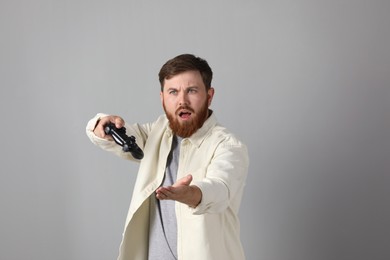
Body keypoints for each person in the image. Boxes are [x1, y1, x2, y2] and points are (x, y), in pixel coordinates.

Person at [86, 54, 249, 260]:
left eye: (192, 90)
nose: (182, 101)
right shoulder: (156, 133)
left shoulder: (228, 145)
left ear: (209, 95)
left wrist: (191, 193)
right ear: (162, 97)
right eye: (173, 92)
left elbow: (220, 188)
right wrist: (101, 123)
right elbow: (111, 136)